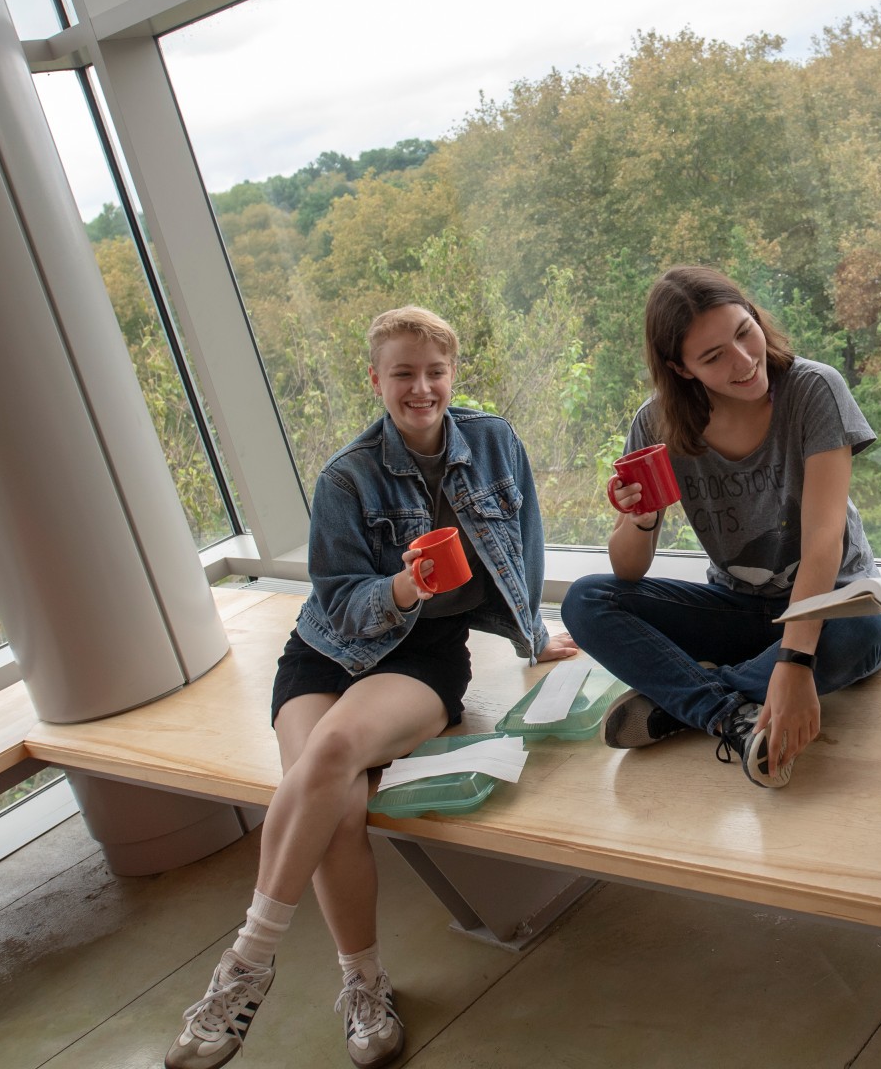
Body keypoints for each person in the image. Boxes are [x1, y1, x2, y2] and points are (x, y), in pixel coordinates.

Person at [165, 306, 575, 1069]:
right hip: (327, 652)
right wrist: (403, 587)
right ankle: (363, 985)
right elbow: (336, 600)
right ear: (375, 380)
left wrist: (532, 634)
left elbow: (522, 546)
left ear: (452, 374)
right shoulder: (346, 476)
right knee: (337, 799)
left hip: (422, 659)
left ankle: (246, 961)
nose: (421, 388)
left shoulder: (494, 441)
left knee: (332, 752)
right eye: (403, 374)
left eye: (434, 372)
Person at [561, 266, 881, 788]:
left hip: (831, 602)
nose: (743, 361)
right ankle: (730, 713)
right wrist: (641, 518)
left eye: (744, 332)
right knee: (585, 600)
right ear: (682, 368)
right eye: (713, 357)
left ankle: (689, 700)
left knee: (867, 626)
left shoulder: (813, 390)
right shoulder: (656, 423)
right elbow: (628, 568)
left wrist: (795, 661)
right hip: (737, 608)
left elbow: (825, 543)